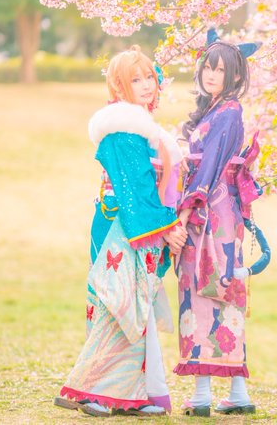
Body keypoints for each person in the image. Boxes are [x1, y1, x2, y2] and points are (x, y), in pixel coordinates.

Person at [52, 45, 187, 417]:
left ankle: (130, 393)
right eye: (135, 79)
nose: (146, 85)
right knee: (119, 304)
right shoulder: (123, 129)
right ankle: (94, 390)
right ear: (118, 86)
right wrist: (167, 226)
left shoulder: (135, 126)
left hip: (123, 221)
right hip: (122, 225)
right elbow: (136, 188)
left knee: (130, 304)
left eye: (149, 77)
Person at [174, 29, 261, 417]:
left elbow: (208, 168)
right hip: (221, 211)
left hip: (210, 212)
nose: (211, 74)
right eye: (208, 67)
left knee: (204, 292)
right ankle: (237, 392)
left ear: (235, 75)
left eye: (221, 70)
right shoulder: (219, 110)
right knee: (225, 293)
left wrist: (186, 210)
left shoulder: (227, 113)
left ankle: (202, 394)